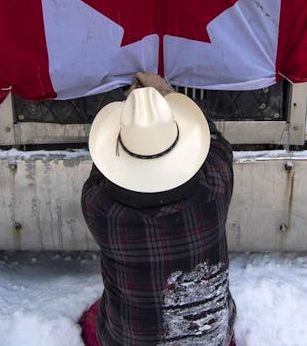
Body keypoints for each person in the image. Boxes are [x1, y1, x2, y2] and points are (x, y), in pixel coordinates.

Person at [80, 72, 236, 346]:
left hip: (129, 341)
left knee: (94, 320)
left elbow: (101, 170)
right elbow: (217, 144)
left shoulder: (100, 210)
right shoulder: (215, 189)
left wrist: (132, 120)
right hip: (214, 339)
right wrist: (166, 95)